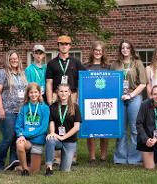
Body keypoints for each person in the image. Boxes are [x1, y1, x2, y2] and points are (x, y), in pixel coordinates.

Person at [46, 35, 85, 165]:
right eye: (61, 44)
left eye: (66, 44)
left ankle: (71, 156)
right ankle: (56, 158)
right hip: (56, 95)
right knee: (57, 121)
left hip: (72, 94)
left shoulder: (75, 62)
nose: (64, 46)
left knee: (70, 121)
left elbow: (83, 79)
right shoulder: (52, 63)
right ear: (58, 46)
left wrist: (78, 98)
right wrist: (49, 99)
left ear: (70, 46)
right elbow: (49, 83)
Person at [111, 40, 147, 165]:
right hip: (119, 98)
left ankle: (135, 158)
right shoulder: (115, 64)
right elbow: (111, 82)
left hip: (134, 97)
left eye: (127, 47)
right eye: (123, 48)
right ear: (120, 49)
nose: (125, 50)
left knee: (134, 128)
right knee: (120, 128)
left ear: (131, 49)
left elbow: (143, 83)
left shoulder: (137, 63)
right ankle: (120, 157)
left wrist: (131, 95)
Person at [0, 50, 28, 170]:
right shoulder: (3, 73)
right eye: (11, 58)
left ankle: (14, 162)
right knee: (8, 138)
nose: (14, 60)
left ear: (19, 60)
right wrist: (0, 108)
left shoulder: (22, 74)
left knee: (16, 138)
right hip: (7, 111)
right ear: (8, 60)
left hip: (21, 111)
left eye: (16, 58)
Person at [44, 84, 81, 175]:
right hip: (57, 140)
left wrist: (63, 137)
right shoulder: (53, 107)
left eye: (65, 91)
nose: (63, 93)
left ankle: (63, 163)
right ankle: (49, 167)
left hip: (70, 141)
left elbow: (77, 127)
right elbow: (51, 122)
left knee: (64, 170)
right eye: (61, 91)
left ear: (69, 93)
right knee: (50, 139)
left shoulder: (75, 107)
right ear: (57, 93)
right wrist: (52, 133)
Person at [15, 83, 50, 176]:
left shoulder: (45, 108)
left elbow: (43, 129)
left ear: (39, 93)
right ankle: (24, 169)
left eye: (36, 92)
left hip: (38, 141)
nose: (33, 95)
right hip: (27, 141)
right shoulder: (24, 107)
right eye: (31, 92)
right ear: (28, 94)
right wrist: (20, 135)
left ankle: (20, 165)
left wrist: (24, 134)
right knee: (19, 144)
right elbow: (18, 126)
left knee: (35, 171)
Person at [84, 41, 110, 163]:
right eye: (96, 50)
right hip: (89, 101)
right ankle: (92, 156)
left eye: (100, 50)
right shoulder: (85, 67)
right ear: (92, 51)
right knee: (90, 129)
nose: (98, 52)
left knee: (104, 128)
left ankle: (103, 155)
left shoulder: (108, 67)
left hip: (104, 101)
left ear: (103, 52)